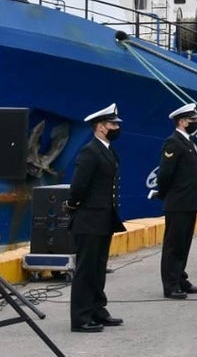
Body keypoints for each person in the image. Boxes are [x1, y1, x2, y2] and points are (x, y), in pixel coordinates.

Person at [66, 103, 127, 333]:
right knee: (86, 269)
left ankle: (97, 309)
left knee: (99, 268)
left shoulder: (107, 149)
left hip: (103, 218)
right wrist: (72, 207)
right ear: (101, 127)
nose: (116, 127)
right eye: (113, 124)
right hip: (89, 219)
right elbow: (79, 186)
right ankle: (81, 317)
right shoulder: (90, 151)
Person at [155, 103, 197, 298]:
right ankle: (170, 284)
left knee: (184, 242)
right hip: (178, 201)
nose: (196, 123)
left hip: (189, 201)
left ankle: (180, 277)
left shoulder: (188, 142)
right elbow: (165, 174)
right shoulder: (173, 142)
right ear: (182, 122)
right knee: (174, 244)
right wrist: (166, 194)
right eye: (193, 120)